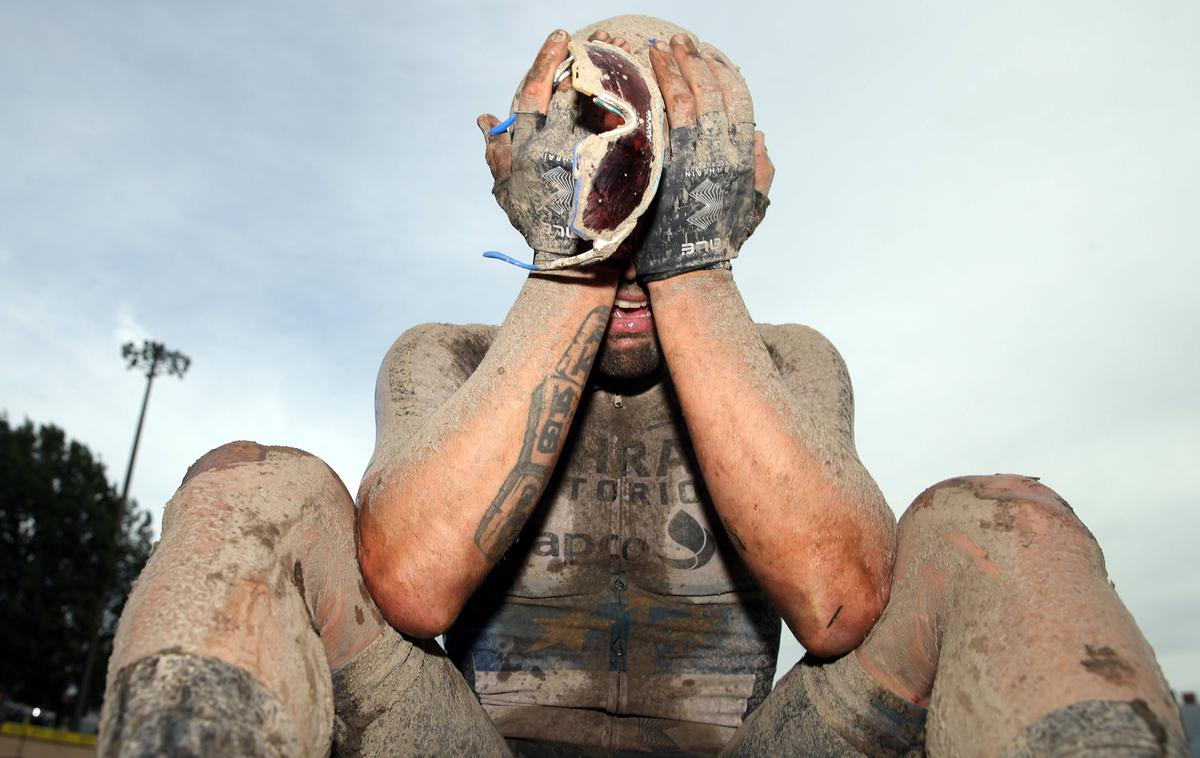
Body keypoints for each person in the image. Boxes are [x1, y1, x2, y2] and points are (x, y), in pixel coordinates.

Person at [98, 15, 1187, 757]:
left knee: (997, 523)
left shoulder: (789, 364)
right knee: (256, 487)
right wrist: (573, 253)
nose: (636, 241)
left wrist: (694, 259)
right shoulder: (451, 356)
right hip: (469, 741)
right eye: (598, 190)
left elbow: (840, 593)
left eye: (666, 204)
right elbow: (412, 582)